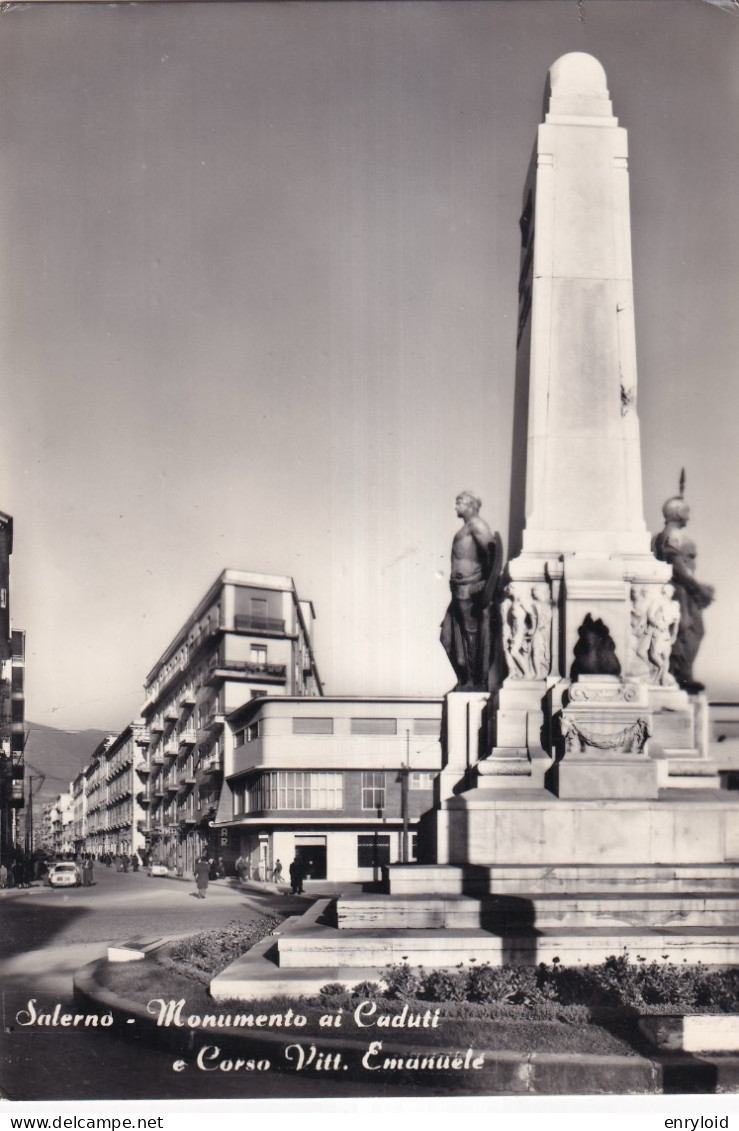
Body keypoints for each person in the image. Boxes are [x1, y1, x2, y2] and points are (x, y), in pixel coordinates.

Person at [440, 491, 502, 691]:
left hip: (470, 591)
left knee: (470, 637)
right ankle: (466, 679)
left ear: (471, 504)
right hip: (458, 592)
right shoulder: (467, 527)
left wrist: (485, 586)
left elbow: (491, 553)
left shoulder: (477, 525)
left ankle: (474, 681)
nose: (455, 507)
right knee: (447, 638)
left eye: (458, 502)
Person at [653, 495, 715, 693]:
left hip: (682, 589)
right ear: (678, 513)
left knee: (685, 632)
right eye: (686, 512)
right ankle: (682, 677)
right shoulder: (674, 536)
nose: (689, 516)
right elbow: (678, 568)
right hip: (681, 591)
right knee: (689, 631)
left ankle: (682, 675)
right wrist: (698, 588)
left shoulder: (664, 535)